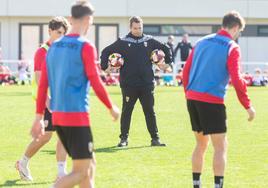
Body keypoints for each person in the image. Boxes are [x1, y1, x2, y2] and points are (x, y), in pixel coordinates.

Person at [31, 1, 120, 187]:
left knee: (90, 166)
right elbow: (95, 81)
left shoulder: (53, 47)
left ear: (71, 19)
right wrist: (111, 107)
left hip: (58, 117)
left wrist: (38, 117)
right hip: (76, 117)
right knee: (80, 172)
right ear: (89, 20)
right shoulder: (85, 46)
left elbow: (42, 85)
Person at [182, 11, 256, 188]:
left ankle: (196, 184)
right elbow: (236, 79)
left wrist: (188, 94)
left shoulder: (201, 42)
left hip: (192, 98)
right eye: (239, 32)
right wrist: (248, 106)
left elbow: (185, 71)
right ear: (236, 27)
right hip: (212, 101)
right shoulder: (232, 46)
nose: (238, 35)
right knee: (220, 147)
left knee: (200, 144)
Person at [100, 16, 172, 147]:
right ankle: (123, 139)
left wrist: (167, 63)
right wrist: (105, 67)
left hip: (147, 84)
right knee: (127, 112)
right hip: (129, 84)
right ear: (130, 28)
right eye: (135, 28)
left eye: (140, 28)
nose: (138, 30)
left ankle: (155, 139)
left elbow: (166, 48)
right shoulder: (122, 41)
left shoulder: (149, 40)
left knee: (150, 111)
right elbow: (105, 51)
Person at [16, 16, 69, 181]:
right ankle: (23, 162)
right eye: (58, 32)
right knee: (46, 136)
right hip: (48, 100)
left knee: (63, 135)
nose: (60, 36)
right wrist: (48, 103)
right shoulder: (42, 52)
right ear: (50, 31)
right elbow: (40, 80)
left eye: (63, 33)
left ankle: (61, 173)